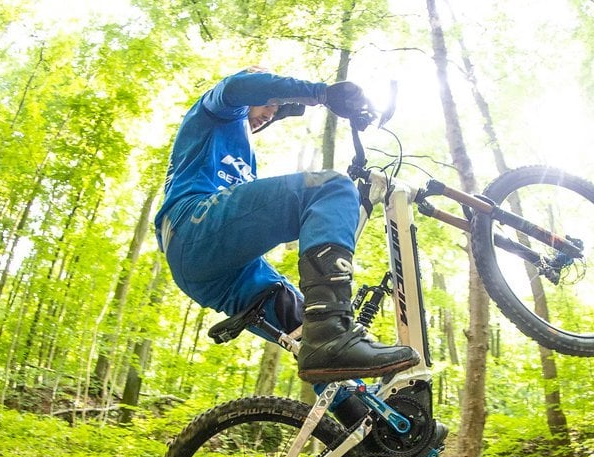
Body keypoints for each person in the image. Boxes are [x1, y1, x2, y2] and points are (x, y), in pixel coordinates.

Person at [154, 67, 420, 383]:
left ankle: (369, 425)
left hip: (220, 272)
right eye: (268, 104)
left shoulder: (246, 154)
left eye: (275, 109)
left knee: (310, 334)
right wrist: (320, 94)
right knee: (331, 187)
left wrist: (286, 107)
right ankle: (332, 330)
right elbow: (240, 87)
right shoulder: (214, 113)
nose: (269, 113)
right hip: (191, 227)